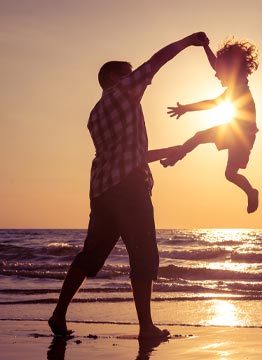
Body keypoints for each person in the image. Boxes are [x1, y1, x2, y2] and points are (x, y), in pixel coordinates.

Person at [48, 32, 209, 339]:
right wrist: (188, 41)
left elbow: (131, 155)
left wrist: (171, 150)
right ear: (113, 77)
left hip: (103, 191)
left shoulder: (95, 115)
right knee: (143, 255)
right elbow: (155, 62)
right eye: (127, 72)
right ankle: (146, 328)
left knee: (90, 256)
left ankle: (59, 314)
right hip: (130, 190)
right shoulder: (124, 91)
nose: (135, 77)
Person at [161, 38, 260, 213]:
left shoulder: (238, 88)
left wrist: (186, 108)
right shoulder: (236, 82)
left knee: (225, 169)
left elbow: (212, 103)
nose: (216, 75)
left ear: (229, 70)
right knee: (228, 172)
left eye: (219, 72)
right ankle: (251, 191)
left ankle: (251, 192)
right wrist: (205, 46)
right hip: (238, 132)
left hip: (241, 134)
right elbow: (216, 65)